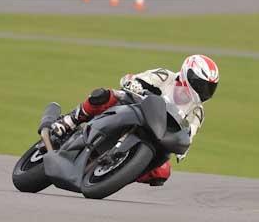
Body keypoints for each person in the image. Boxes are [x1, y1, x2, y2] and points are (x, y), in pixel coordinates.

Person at [50, 54, 219, 186]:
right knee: (105, 95)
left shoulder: (197, 111)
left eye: (210, 88)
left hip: (159, 133)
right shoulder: (165, 76)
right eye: (201, 85)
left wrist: (183, 146)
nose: (205, 91)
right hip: (137, 107)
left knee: (162, 172)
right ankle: (70, 121)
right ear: (187, 74)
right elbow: (138, 80)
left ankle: (119, 174)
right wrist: (136, 84)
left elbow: (190, 133)